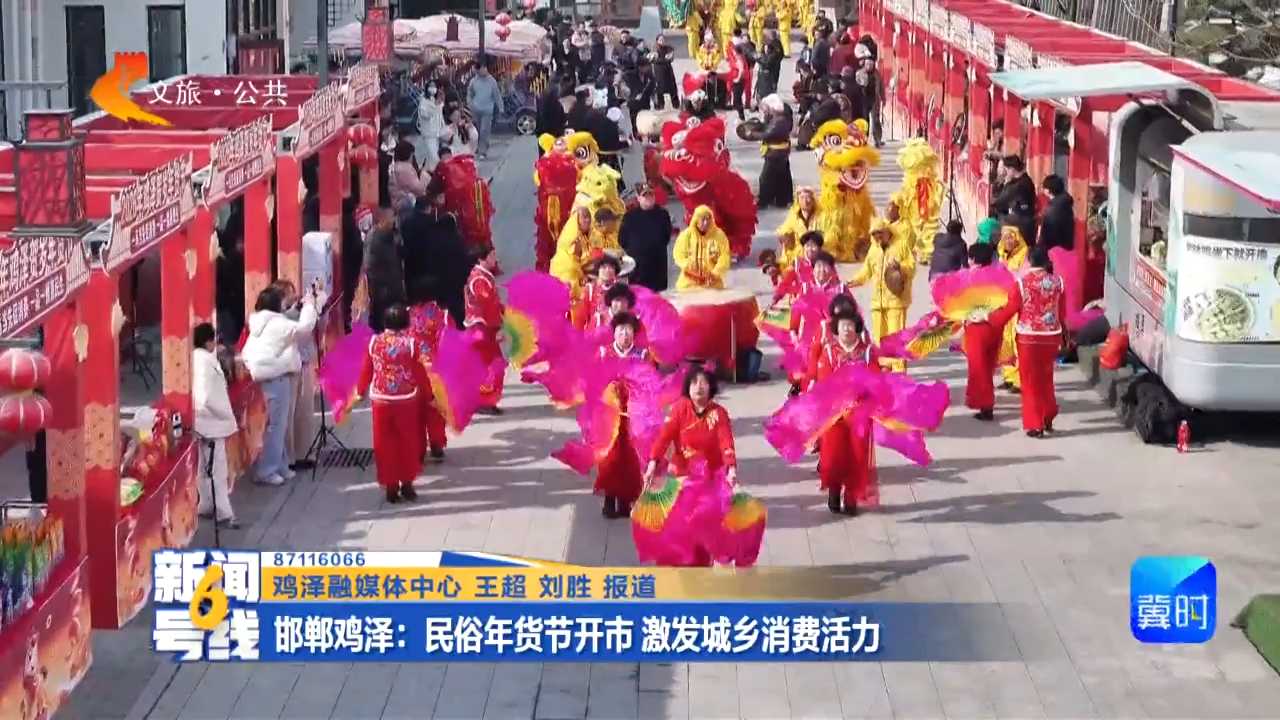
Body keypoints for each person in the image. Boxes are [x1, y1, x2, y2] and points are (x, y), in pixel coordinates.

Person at [642, 366, 740, 566]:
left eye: (703, 382)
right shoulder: (679, 409)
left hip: (709, 480)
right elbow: (664, 438)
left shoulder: (719, 414)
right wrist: (652, 463)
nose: (699, 387)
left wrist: (731, 470)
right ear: (688, 387)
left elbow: (726, 443)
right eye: (694, 383)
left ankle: (703, 565)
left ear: (711, 387)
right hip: (683, 478)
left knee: (706, 528)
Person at [241, 283, 320, 486]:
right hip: (276, 376)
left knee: (279, 424)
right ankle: (267, 470)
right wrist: (310, 306)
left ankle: (281, 465)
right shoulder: (277, 323)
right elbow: (304, 328)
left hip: (268, 376)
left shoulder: (261, 320)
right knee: (276, 426)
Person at [808, 306, 879, 515]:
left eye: (850, 325)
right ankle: (834, 489)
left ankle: (851, 497)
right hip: (834, 415)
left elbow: (875, 381)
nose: (847, 329)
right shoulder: (830, 352)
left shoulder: (867, 352)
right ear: (836, 329)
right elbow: (824, 381)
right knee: (833, 455)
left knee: (857, 456)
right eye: (842, 325)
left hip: (859, 414)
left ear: (857, 328)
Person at [355, 305, 429, 503]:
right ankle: (407, 483)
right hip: (406, 400)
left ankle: (390, 486)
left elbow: (366, 370)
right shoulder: (411, 344)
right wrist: (429, 395)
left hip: (381, 400)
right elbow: (419, 373)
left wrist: (360, 391)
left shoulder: (374, 342)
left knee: (384, 444)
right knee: (408, 442)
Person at [595, 312, 650, 518]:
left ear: (634, 333)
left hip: (632, 416)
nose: (624, 334)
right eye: (620, 330)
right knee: (609, 458)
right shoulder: (604, 353)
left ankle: (626, 500)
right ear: (614, 333)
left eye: (628, 330)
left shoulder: (642, 355)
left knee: (630, 459)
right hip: (609, 415)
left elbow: (649, 383)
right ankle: (610, 499)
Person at [1008, 246, 1067, 437]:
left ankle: (1035, 424)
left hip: (1028, 337)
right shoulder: (1057, 282)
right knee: (1046, 378)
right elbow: (1062, 312)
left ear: (1029, 260)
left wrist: (989, 319)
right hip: (1052, 335)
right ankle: (1048, 415)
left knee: (1030, 381)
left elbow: (1009, 310)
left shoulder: (1021, 282)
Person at [848, 217, 915, 372]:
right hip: (877, 302)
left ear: (886, 231)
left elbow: (911, 267)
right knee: (879, 339)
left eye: (880, 233)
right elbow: (866, 271)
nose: (877, 237)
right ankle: (884, 368)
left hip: (896, 301)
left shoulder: (901, 245)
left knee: (896, 337)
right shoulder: (873, 250)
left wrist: (901, 268)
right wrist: (853, 281)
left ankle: (898, 371)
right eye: (874, 234)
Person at [961, 243, 1017, 421]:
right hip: (994, 326)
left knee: (979, 368)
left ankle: (986, 405)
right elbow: (1010, 301)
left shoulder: (969, 277)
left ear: (973, 259)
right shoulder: (1000, 276)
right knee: (988, 365)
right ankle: (986, 403)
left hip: (976, 327)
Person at [193, 323, 239, 528]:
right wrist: (224, 414)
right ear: (208, 342)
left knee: (205, 468)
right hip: (211, 423)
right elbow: (204, 396)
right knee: (217, 470)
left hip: (207, 422)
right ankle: (223, 512)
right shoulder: (203, 363)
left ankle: (207, 505)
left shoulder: (199, 359)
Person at [270, 280, 318, 473]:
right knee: (288, 415)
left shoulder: (298, 311)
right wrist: (306, 308)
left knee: (304, 412)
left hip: (304, 363)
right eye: (290, 293)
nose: (294, 296)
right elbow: (300, 327)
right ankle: (288, 457)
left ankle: (304, 453)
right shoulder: (278, 317)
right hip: (288, 367)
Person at [464, 245, 506, 414]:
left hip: (483, 328)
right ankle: (484, 401)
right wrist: (498, 327)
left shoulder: (482, 276)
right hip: (481, 329)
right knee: (492, 365)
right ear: (483, 258)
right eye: (492, 255)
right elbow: (488, 306)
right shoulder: (479, 279)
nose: (495, 258)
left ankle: (484, 400)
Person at [619, 183, 674, 292]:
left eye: (651, 194)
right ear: (638, 198)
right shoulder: (629, 217)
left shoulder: (663, 214)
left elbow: (666, 236)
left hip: (658, 267)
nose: (649, 198)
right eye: (645, 195)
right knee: (638, 297)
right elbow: (622, 239)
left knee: (657, 297)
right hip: (638, 270)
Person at [363, 212, 406, 333]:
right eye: (391, 218)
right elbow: (369, 266)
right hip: (382, 290)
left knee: (395, 323)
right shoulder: (374, 239)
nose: (394, 221)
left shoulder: (393, 235)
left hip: (394, 287)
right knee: (381, 322)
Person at [673, 205, 732, 290]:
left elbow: (725, 257)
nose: (706, 222)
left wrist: (715, 273)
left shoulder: (719, 235)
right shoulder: (686, 235)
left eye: (708, 219)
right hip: (688, 284)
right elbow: (678, 255)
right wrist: (689, 266)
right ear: (696, 220)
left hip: (712, 285)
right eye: (703, 219)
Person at [757, 95, 794, 209]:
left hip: (776, 153)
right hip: (779, 152)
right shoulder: (778, 118)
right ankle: (781, 200)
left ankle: (764, 201)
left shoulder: (780, 121)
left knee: (765, 178)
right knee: (781, 176)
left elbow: (768, 134)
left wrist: (754, 134)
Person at [771, 229, 825, 305]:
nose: (810, 249)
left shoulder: (826, 264)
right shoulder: (797, 264)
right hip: (801, 304)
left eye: (813, 246)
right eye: (807, 246)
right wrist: (776, 299)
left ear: (820, 248)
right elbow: (783, 285)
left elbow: (834, 285)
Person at [775, 188, 821, 271]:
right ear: (798, 201)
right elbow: (783, 231)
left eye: (808, 198)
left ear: (813, 200)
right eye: (802, 198)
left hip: (816, 252)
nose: (805, 201)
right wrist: (784, 237)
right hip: (798, 254)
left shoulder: (821, 216)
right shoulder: (793, 217)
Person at [573, 254, 622, 329]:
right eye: (604, 267)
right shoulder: (590, 289)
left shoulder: (620, 290)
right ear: (598, 270)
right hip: (593, 331)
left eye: (611, 267)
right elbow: (580, 317)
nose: (607, 270)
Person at [466, 62, 501, 160]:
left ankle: (483, 151)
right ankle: (478, 147)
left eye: (483, 69)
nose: (481, 71)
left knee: (484, 130)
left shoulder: (492, 81)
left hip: (487, 110)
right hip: (476, 110)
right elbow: (470, 93)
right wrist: (470, 104)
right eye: (478, 70)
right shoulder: (474, 81)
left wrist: (500, 107)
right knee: (477, 131)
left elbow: (496, 94)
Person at [388, 140, 428, 221]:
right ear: (410, 155)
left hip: (398, 202)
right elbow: (419, 189)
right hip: (405, 204)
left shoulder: (396, 166)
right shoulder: (405, 169)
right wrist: (423, 176)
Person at [993, 154, 1037, 220]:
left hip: (1021, 220)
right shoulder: (1025, 179)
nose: (1006, 173)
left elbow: (1000, 203)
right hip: (1022, 217)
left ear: (1012, 169)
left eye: (1006, 170)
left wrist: (1007, 183)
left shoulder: (1019, 185)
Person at [1038, 174, 1075, 250]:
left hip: (1054, 249)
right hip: (1066, 247)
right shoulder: (1065, 203)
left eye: (1044, 188)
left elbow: (1047, 234)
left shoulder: (1053, 209)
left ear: (1048, 190)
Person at [415, 82, 447, 171]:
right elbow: (425, 115)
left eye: (434, 86)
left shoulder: (434, 100)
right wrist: (435, 105)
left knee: (429, 155)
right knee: (433, 156)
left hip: (436, 133)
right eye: (431, 86)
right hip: (428, 133)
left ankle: (427, 170)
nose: (433, 88)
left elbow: (440, 115)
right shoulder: (423, 101)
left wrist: (443, 128)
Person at [652, 34, 680, 109]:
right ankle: (660, 105)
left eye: (663, 40)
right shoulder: (654, 49)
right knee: (659, 89)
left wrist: (665, 59)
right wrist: (665, 60)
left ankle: (676, 105)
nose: (662, 41)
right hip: (659, 71)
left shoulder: (668, 48)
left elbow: (670, 58)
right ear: (657, 41)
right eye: (660, 40)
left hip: (668, 70)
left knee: (672, 88)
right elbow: (654, 59)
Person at [756, 30, 784, 101]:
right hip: (767, 67)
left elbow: (780, 54)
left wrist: (776, 62)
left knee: (773, 81)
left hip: (773, 66)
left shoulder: (776, 43)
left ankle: (772, 94)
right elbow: (762, 53)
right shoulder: (766, 42)